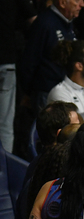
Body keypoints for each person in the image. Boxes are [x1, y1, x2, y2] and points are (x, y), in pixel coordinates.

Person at [19, 0, 83, 111]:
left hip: (67, 90)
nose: (82, 4)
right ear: (62, 3)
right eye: (77, 1)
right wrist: (28, 92)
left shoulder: (69, 22)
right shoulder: (44, 23)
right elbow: (29, 61)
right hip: (47, 93)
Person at [0, 0, 36, 153]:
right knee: (6, 123)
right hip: (6, 59)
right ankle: (3, 170)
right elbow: (34, 20)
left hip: (7, 60)